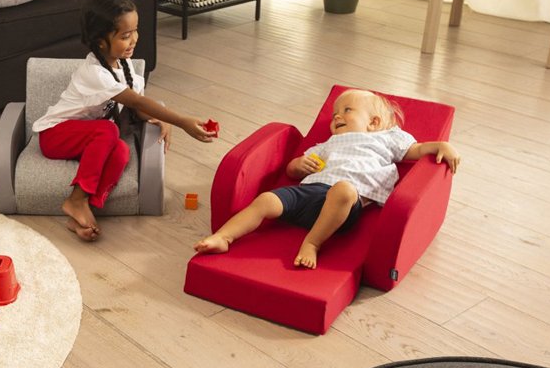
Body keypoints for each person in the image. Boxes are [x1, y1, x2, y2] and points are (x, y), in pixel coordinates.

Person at [194, 88, 460, 268]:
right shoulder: (327, 143)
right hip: (310, 192)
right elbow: (292, 170)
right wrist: (298, 165)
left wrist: (441, 146)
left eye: (347, 110)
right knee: (266, 200)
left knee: (343, 190)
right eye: (335, 114)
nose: (337, 116)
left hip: (344, 204)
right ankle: (224, 237)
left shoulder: (386, 139)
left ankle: (312, 242)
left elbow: (415, 150)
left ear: (374, 122)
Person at [33, 0, 215, 241]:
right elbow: (136, 100)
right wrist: (181, 120)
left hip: (87, 139)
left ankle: (85, 212)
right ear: (101, 41)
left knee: (121, 151)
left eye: (135, 31)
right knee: (109, 130)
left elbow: (138, 108)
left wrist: (158, 119)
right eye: (125, 35)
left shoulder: (124, 65)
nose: (134, 40)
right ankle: (76, 199)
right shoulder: (94, 73)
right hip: (55, 135)